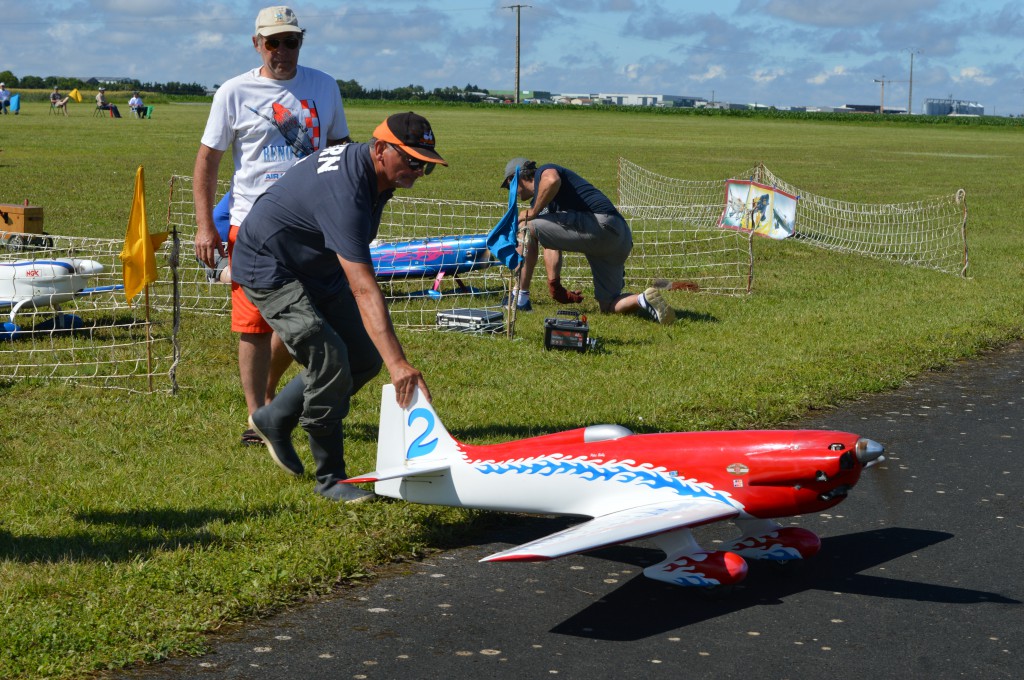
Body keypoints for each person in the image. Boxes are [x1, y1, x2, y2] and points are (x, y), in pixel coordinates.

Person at [232, 111, 445, 502]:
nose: (417, 171)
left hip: (315, 262)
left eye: (425, 166)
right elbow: (364, 289)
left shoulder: (375, 173)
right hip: (269, 264)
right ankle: (330, 478)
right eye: (412, 161)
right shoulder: (346, 193)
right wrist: (400, 364)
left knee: (364, 358)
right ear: (380, 149)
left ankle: (275, 417)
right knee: (328, 358)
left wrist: (388, 359)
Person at [193, 5, 351, 447]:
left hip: (312, 228)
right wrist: (207, 228)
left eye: (291, 41)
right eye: (273, 42)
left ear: (302, 41)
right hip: (252, 226)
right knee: (253, 325)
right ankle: (257, 414)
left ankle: (268, 401)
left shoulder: (324, 86)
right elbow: (207, 162)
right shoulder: (234, 92)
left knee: (304, 318)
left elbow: (339, 150)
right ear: (257, 44)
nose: (282, 51)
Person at [500, 158, 675, 324]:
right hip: (619, 237)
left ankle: (520, 298)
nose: (513, 194)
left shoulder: (544, 171)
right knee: (608, 305)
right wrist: (555, 285)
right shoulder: (547, 203)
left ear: (516, 178)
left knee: (526, 226)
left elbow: (552, 180)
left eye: (510, 187)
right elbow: (550, 241)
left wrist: (533, 212)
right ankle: (643, 299)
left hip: (601, 224)